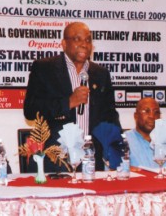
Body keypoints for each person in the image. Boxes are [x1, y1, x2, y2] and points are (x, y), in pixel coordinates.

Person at [24, 22, 120, 172]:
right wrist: (68, 103)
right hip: (56, 159)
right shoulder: (44, 68)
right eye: (77, 39)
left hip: (92, 159)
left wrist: (115, 152)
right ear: (64, 43)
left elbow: (110, 115)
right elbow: (30, 110)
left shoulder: (101, 74)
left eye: (88, 40)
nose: (84, 44)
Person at [125, 97, 166, 168]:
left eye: (156, 112)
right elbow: (115, 170)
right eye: (146, 111)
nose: (152, 116)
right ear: (136, 116)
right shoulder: (125, 140)